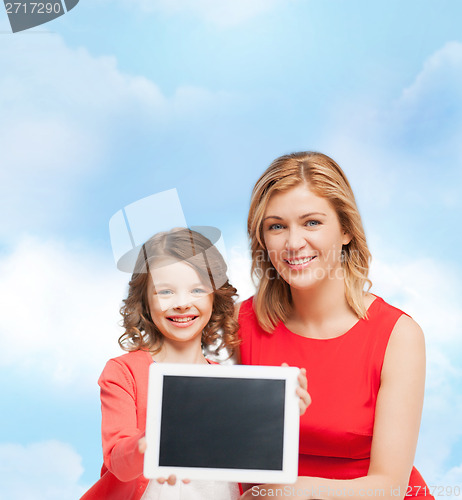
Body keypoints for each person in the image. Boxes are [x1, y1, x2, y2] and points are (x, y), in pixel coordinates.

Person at [238, 152, 434, 500]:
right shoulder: (238, 326)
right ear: (262, 239)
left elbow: (389, 486)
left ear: (345, 230)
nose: (294, 243)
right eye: (277, 226)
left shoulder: (398, 336)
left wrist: (286, 492)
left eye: (311, 222)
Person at [80, 228, 243, 500]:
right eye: (165, 291)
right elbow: (118, 461)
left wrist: (280, 406)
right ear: (144, 300)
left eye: (197, 290)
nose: (181, 303)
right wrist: (147, 443)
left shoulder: (230, 384)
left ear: (215, 296)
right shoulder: (123, 373)